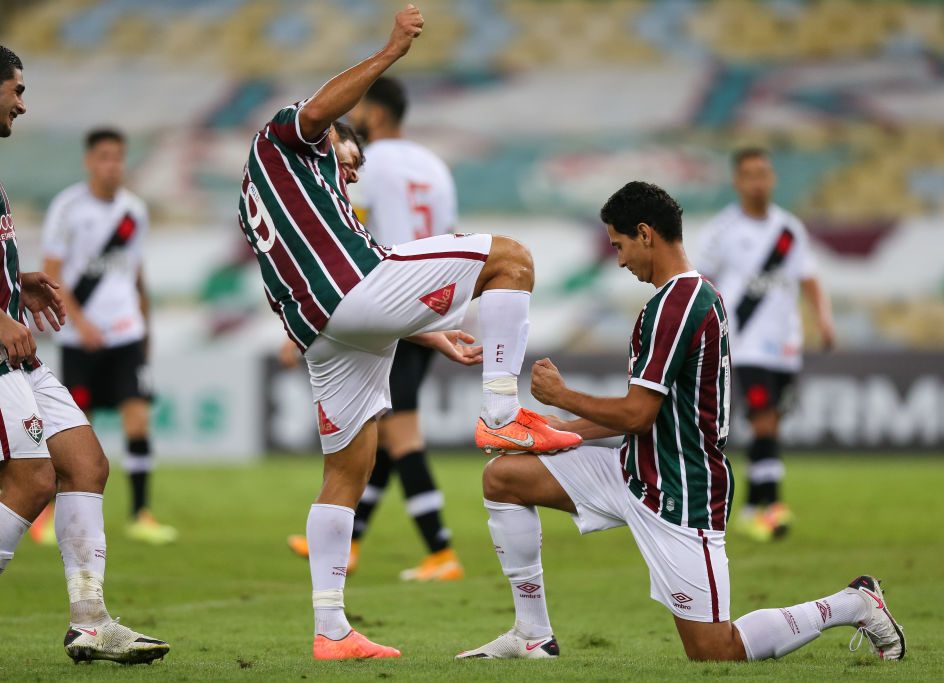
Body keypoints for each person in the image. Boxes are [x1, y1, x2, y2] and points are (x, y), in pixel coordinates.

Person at [236, 4, 581, 660]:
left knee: (348, 470)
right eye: (351, 153)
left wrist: (434, 331)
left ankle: (331, 629)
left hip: (323, 329)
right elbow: (316, 116)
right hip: (349, 296)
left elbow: (336, 286)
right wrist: (390, 50)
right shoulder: (289, 137)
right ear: (330, 135)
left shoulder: (279, 196)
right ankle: (503, 414)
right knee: (513, 259)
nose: (356, 169)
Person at [457, 181, 903, 663]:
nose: (621, 260)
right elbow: (646, 413)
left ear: (645, 234)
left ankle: (855, 602)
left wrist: (564, 395)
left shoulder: (680, 303)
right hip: (632, 472)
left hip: (683, 491)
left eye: (620, 245)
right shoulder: (676, 300)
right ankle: (532, 634)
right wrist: (557, 426)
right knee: (504, 477)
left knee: (716, 650)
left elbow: (638, 412)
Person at [0, 39, 168, 669]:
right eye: (18, 90)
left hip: (7, 337)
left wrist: (16, 280)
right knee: (32, 482)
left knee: (85, 464)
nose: (22, 105)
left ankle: (89, 622)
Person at [286, 76, 463, 583]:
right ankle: (354, 540)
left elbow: (362, 240)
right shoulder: (433, 164)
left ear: (377, 114)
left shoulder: (368, 164)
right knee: (382, 427)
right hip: (433, 301)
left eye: (358, 107)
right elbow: (447, 233)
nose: (352, 114)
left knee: (401, 432)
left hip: (393, 301)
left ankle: (441, 551)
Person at [32, 127, 176, 546]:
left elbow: (135, 272)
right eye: (105, 157)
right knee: (79, 430)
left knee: (138, 417)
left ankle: (140, 513)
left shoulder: (135, 211)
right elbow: (52, 275)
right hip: (81, 341)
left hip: (126, 334)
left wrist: (145, 325)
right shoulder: (68, 208)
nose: (113, 165)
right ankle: (54, 513)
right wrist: (81, 322)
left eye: (119, 157)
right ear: (90, 161)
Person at [695, 147, 835, 542]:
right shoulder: (722, 231)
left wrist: (823, 318)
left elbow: (808, 277)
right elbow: (698, 281)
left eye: (764, 173)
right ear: (738, 182)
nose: (758, 181)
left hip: (785, 343)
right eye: (750, 174)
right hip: (745, 343)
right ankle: (772, 508)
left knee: (771, 425)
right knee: (764, 420)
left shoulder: (789, 230)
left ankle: (753, 508)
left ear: (771, 179)